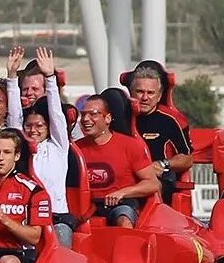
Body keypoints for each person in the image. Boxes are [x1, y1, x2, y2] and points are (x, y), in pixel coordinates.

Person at [74, 93, 161, 228]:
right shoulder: (75, 149)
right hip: (87, 206)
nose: (86, 119)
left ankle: (128, 248)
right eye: (83, 114)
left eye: (93, 114)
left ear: (107, 118)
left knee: (123, 220)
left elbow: (153, 184)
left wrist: (122, 193)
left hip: (121, 204)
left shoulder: (130, 145)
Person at [15, 47, 74, 247]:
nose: (33, 130)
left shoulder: (57, 146)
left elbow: (56, 115)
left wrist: (50, 78)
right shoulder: (20, 148)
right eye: (29, 126)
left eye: (39, 126)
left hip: (56, 218)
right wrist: (11, 77)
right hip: (27, 219)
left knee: (60, 253)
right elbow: (15, 121)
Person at [0, 128, 52, 263]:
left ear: (17, 156)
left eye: (7, 152)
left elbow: (35, 237)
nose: (0, 158)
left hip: (19, 254)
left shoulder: (33, 190)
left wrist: (4, 220)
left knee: (8, 262)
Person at [122, 60, 193, 202]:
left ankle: (152, 223)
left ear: (159, 96)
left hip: (159, 177)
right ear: (130, 92)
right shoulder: (118, 117)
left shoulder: (170, 120)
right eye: (140, 92)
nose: (145, 98)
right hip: (124, 178)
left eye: (150, 93)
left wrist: (162, 164)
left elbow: (187, 158)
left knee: (153, 187)